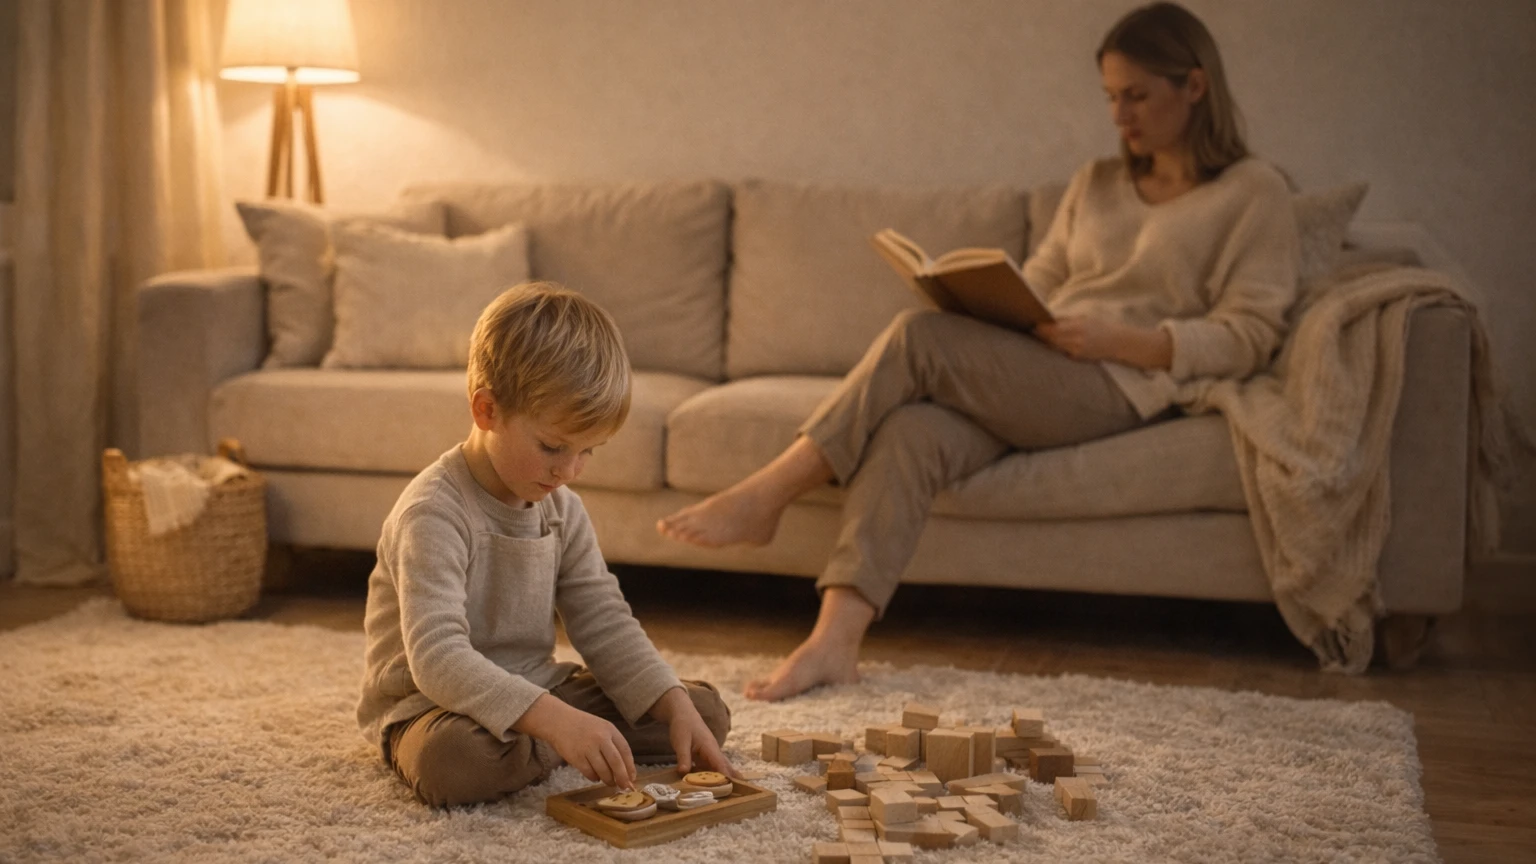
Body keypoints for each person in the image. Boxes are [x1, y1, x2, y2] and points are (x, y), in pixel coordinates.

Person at [657, 1, 1300, 701]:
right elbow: (1047, 279)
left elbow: (1251, 335)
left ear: (1195, 86)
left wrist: (1128, 340)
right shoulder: (1097, 182)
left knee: (915, 338)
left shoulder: (1254, 193)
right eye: (1112, 97)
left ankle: (769, 491)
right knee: (910, 432)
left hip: (1122, 385)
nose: (1121, 116)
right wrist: (996, 303)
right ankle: (832, 644)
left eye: (1138, 95)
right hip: (1039, 369)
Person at [358, 282, 736, 807]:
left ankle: (558, 739)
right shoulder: (433, 511)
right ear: (486, 410)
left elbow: (603, 618)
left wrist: (672, 705)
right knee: (454, 764)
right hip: (432, 705)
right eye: (553, 447)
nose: (569, 471)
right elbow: (437, 659)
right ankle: (565, 740)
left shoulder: (563, 507)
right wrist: (561, 724)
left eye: (588, 452)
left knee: (703, 714)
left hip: (539, 689)